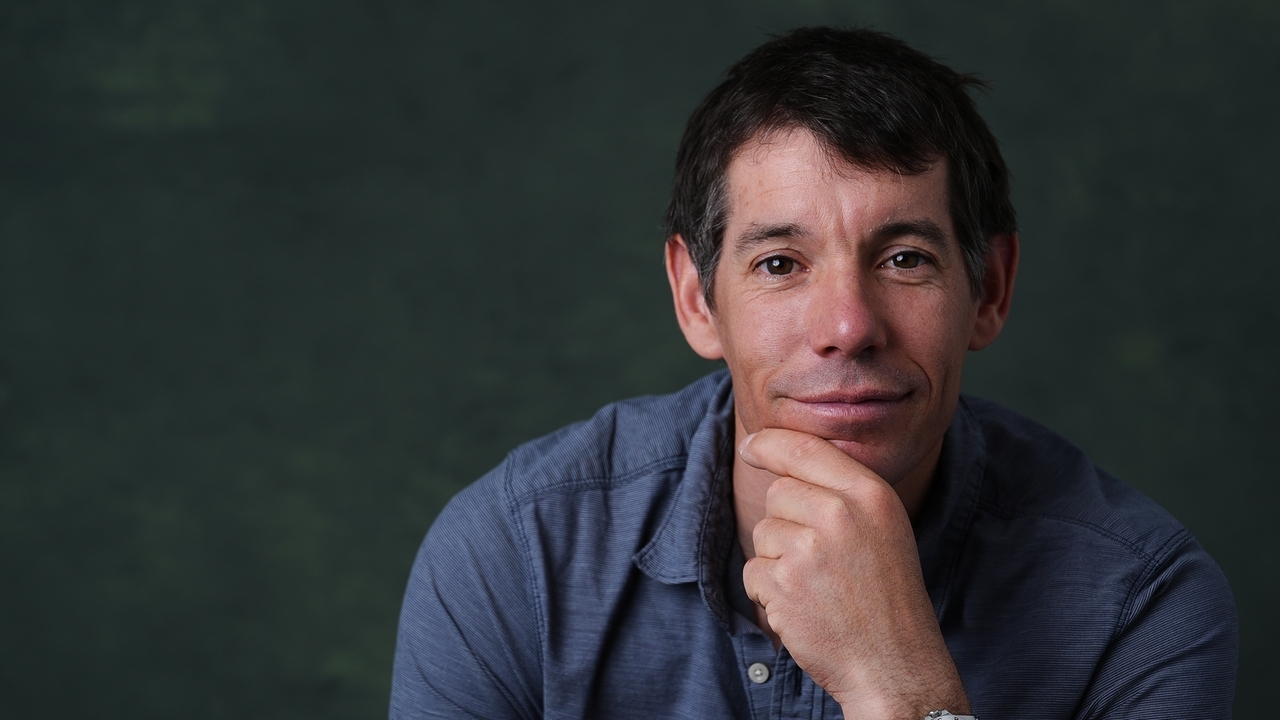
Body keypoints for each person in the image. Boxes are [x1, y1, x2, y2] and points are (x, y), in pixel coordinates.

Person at [390, 27, 1237, 720]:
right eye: (780, 264)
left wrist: (902, 690)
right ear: (696, 299)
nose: (848, 328)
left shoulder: (1144, 606)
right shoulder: (513, 557)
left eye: (905, 258)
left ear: (989, 290)